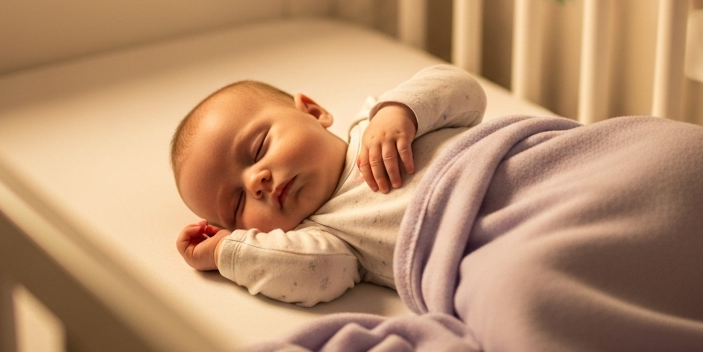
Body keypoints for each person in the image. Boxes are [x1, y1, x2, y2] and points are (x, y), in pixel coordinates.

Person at [172, 65, 485, 306]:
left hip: (501, 166)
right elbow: (310, 273)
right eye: (238, 202)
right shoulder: (325, 238)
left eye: (258, 149)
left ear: (313, 111)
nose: (256, 182)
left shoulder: (375, 123)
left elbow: (466, 91)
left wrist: (401, 111)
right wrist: (224, 251)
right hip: (480, 261)